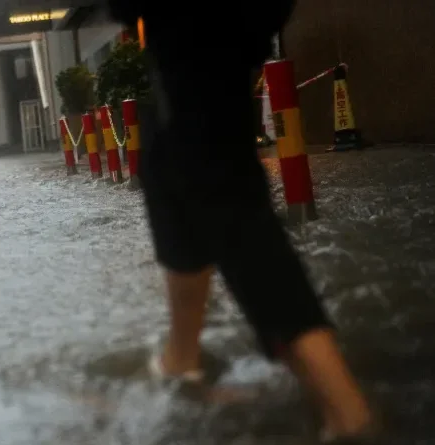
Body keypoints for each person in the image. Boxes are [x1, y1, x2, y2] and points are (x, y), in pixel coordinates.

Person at [105, 1, 375, 443]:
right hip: (202, 59)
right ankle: (180, 363)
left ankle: (349, 415)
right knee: (169, 168)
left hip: (200, 55)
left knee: (229, 203)